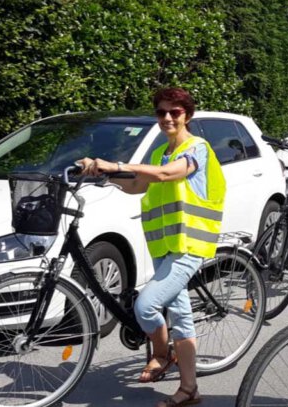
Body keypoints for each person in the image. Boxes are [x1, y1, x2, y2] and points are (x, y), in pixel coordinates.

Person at [80, 87, 225, 407]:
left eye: (175, 112)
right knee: (180, 315)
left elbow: (165, 175)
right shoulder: (162, 152)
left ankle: (162, 354)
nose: (168, 118)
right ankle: (190, 390)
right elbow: (138, 185)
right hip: (164, 246)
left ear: (187, 114)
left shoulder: (196, 148)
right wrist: (104, 175)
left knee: (146, 306)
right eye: (162, 112)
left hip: (189, 244)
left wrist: (115, 164)